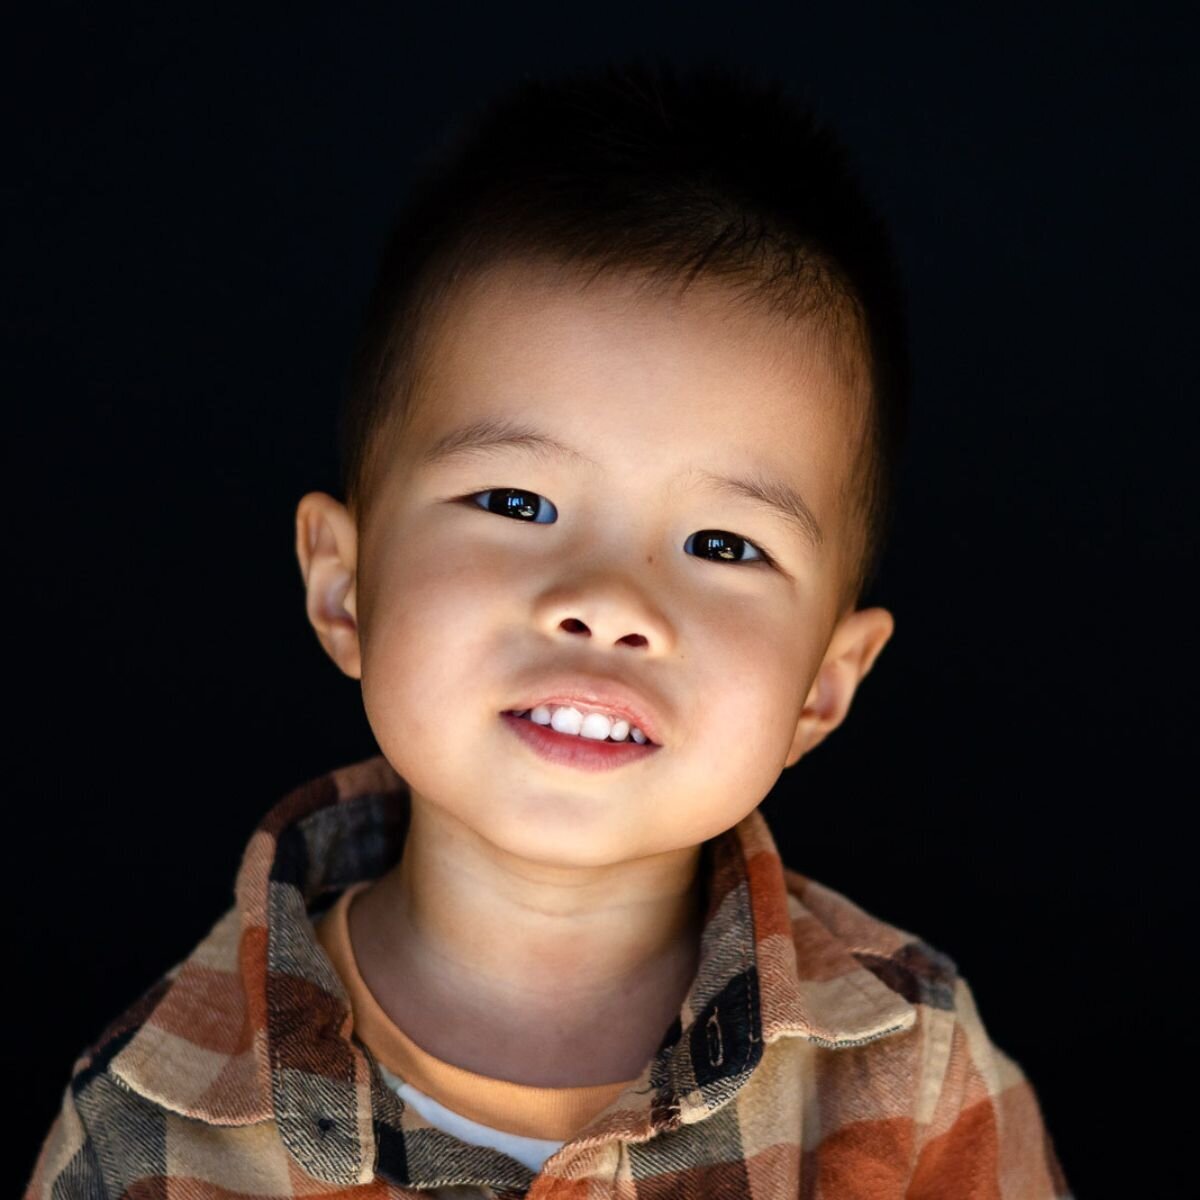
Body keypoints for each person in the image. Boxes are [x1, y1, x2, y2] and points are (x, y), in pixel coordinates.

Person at [24, 58, 1072, 1198]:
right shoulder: (148, 1127)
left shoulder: (911, 1079)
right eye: (519, 504)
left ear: (825, 684)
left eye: (723, 546)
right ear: (345, 587)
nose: (610, 604)